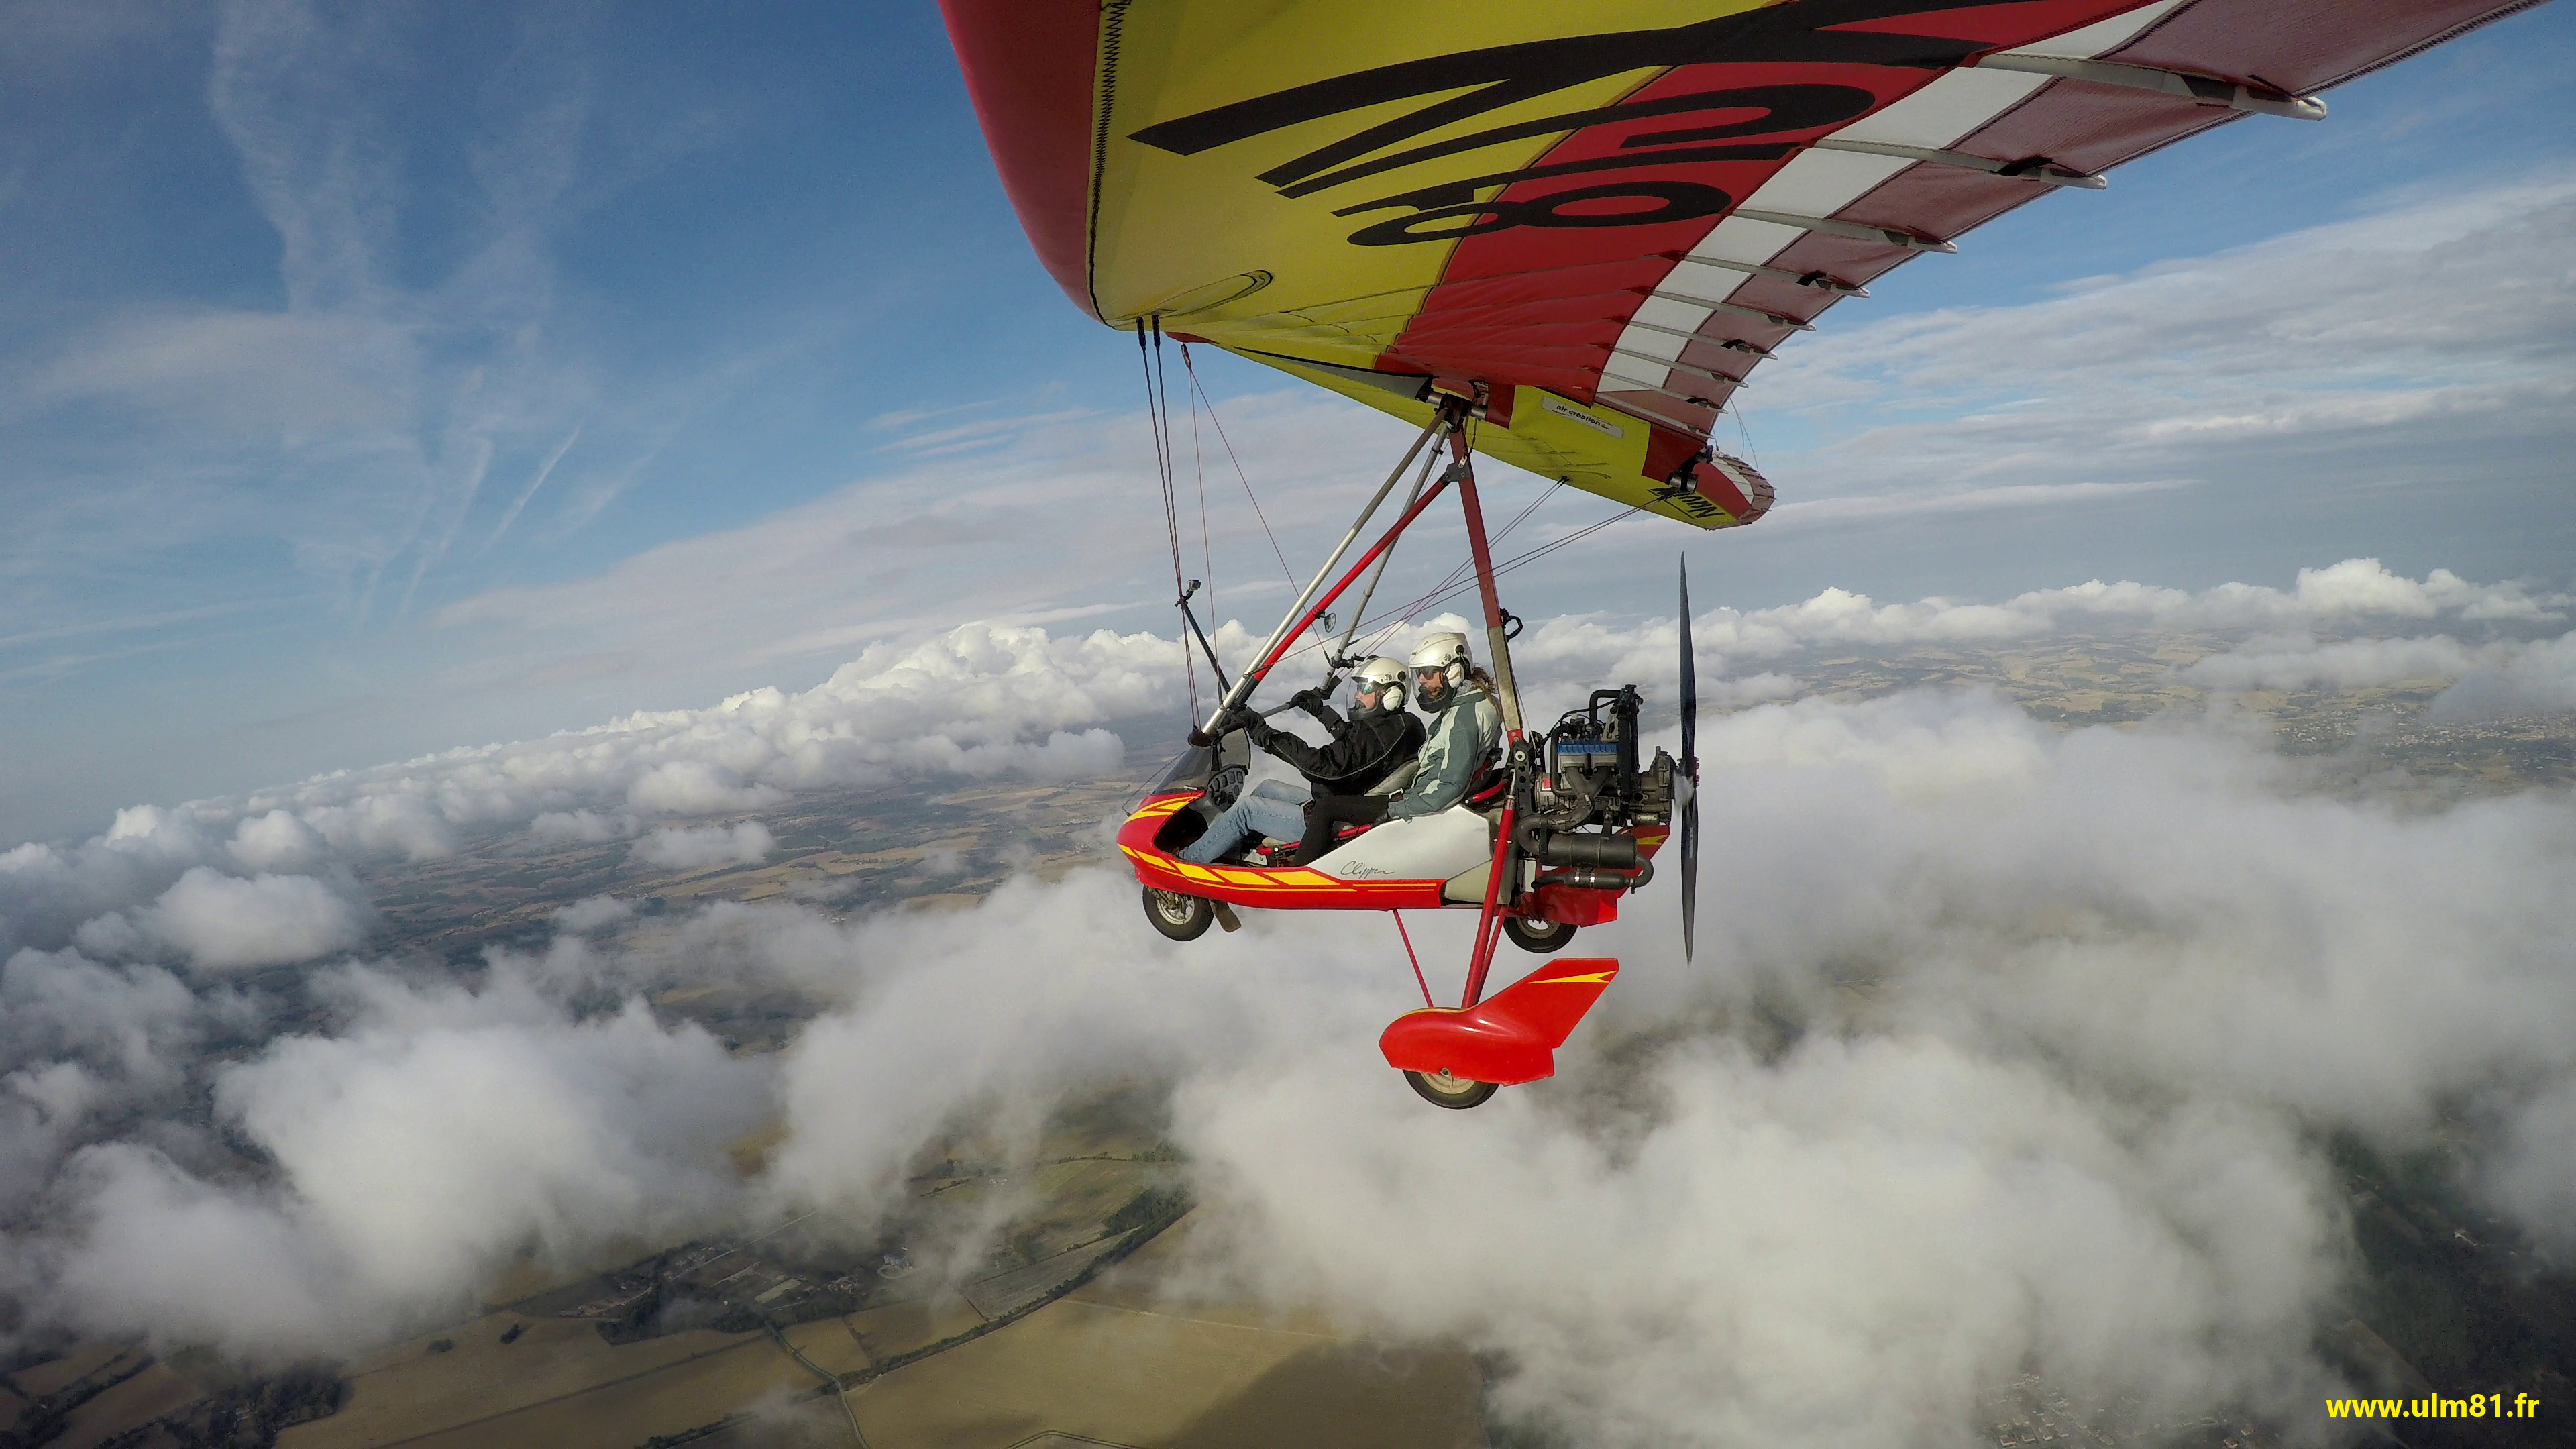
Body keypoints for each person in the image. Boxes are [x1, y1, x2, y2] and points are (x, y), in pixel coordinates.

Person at [1177, 657, 1424, 865]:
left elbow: (1322, 767)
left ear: (1390, 694)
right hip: (1347, 800)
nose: (1358, 694)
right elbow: (1358, 749)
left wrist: (1264, 734)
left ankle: (1187, 861)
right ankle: (1236, 851)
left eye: (1366, 689)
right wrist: (1321, 712)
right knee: (1268, 787)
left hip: (1334, 820)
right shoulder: (1402, 725)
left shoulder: (1378, 733)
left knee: (1246, 810)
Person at [1297, 631, 1501, 861]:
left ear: (1453, 672)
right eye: (1419, 674)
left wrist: (1396, 809)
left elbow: (1450, 786)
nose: (1421, 680)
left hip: (1415, 803)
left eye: (1426, 673)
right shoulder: (1470, 704)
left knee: (1327, 807)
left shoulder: (1463, 721)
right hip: (1415, 796)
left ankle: (1295, 880)